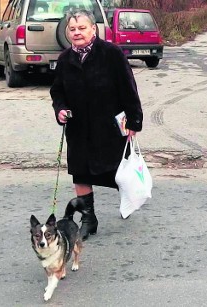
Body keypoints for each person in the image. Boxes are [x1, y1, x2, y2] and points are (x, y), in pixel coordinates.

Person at [50, 9, 143, 240]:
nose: (77, 32)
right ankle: (89, 219)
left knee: (118, 171)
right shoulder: (65, 59)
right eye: (72, 29)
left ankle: (130, 198)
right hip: (79, 128)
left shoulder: (111, 54)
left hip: (108, 126)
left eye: (82, 28)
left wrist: (134, 120)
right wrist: (60, 109)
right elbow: (57, 91)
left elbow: (128, 87)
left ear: (94, 29)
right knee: (80, 173)